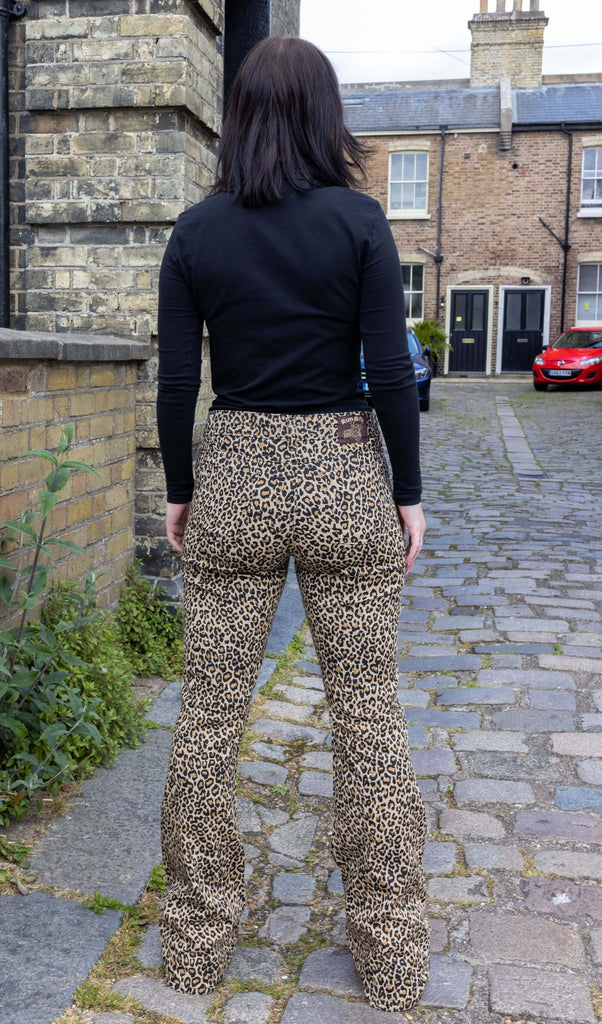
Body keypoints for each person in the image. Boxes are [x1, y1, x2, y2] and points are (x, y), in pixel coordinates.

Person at [156, 35, 429, 1013]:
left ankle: (194, 946)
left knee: (207, 713)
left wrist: (181, 486)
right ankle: (392, 953)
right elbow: (389, 369)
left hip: (232, 468)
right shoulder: (359, 221)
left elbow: (178, 379)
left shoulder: (196, 232)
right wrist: (406, 491)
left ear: (238, 119)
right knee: (368, 714)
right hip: (343, 469)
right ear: (325, 116)